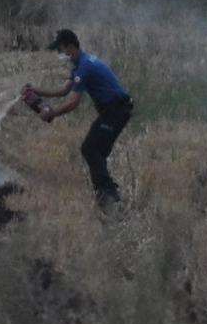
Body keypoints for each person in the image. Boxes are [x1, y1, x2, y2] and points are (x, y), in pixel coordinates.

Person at [24, 29, 134, 209]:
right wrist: (37, 91)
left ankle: (108, 197)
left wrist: (52, 114)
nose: (61, 55)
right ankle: (108, 198)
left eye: (61, 50)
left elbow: (73, 102)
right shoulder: (80, 64)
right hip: (115, 110)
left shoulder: (85, 66)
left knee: (89, 149)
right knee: (97, 153)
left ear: (71, 47)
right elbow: (64, 90)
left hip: (116, 110)